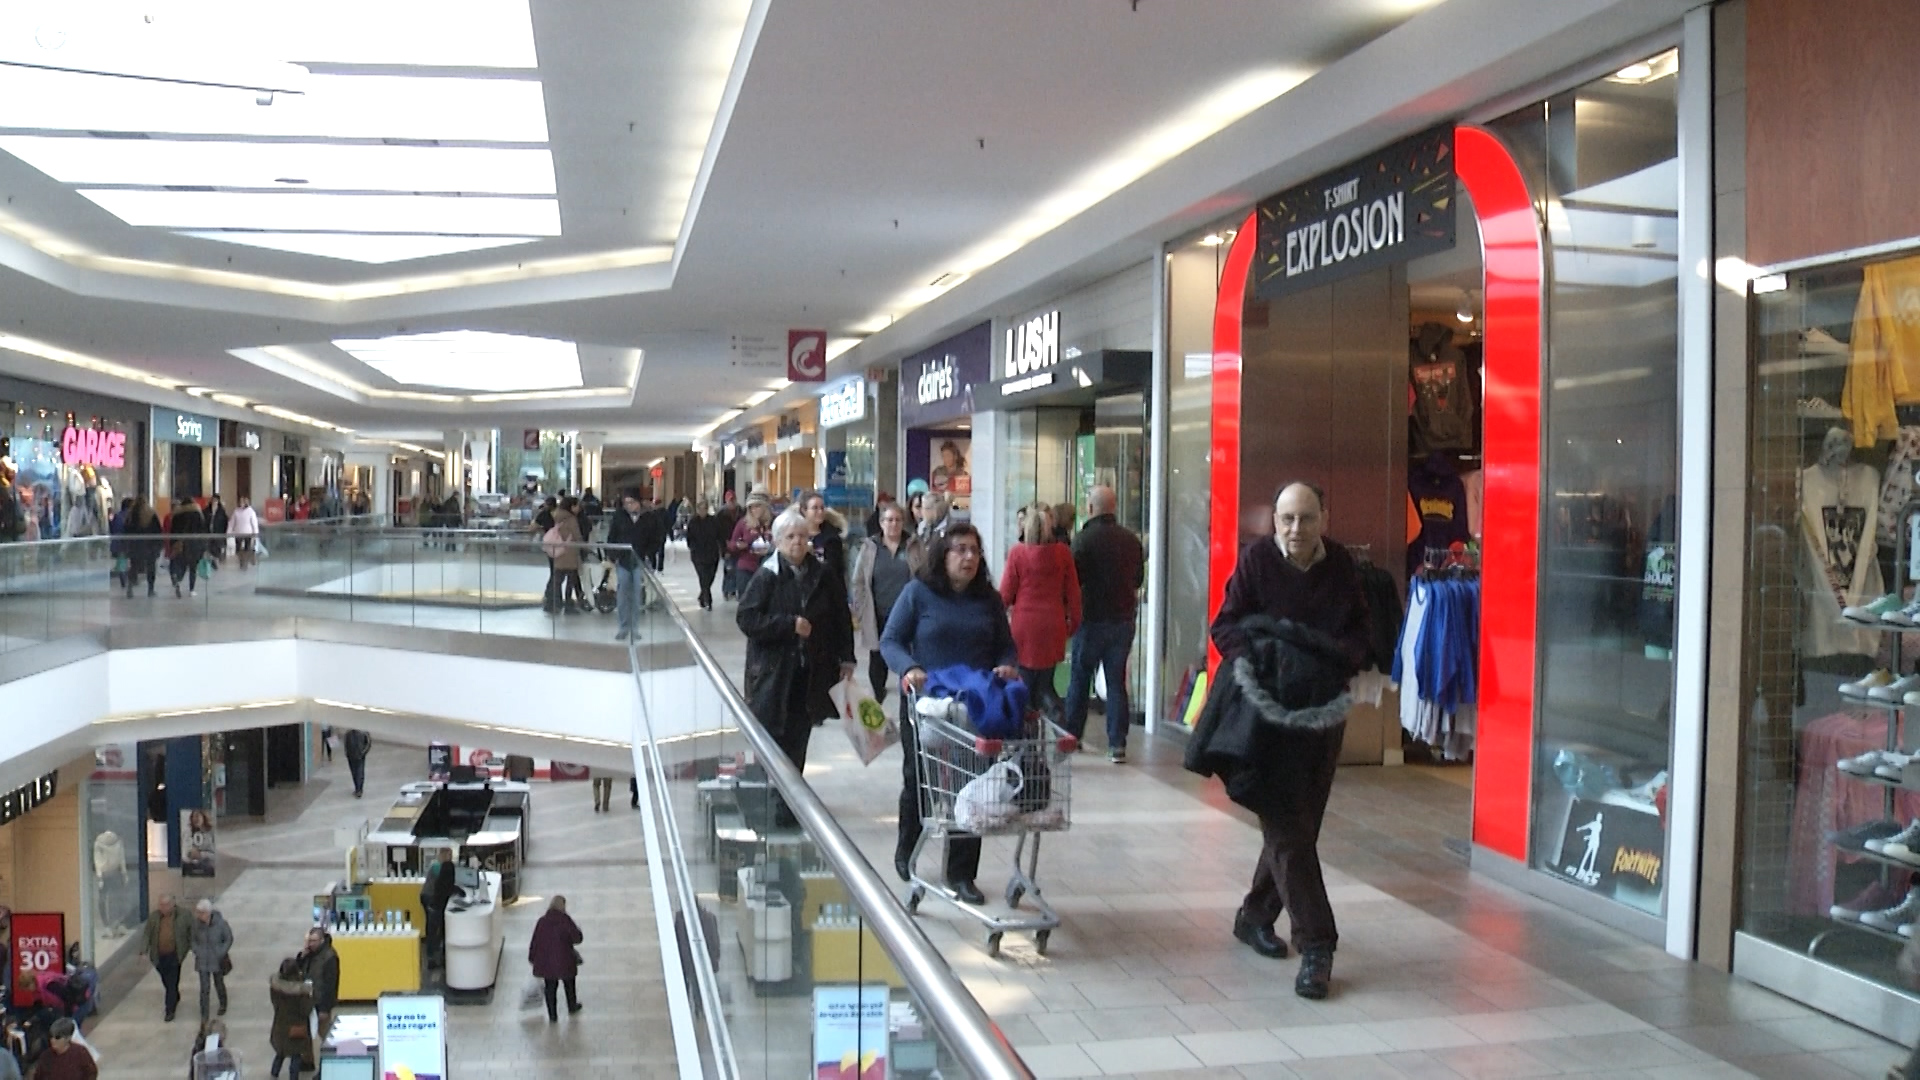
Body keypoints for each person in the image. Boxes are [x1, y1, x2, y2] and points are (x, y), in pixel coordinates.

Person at [1200, 481, 1369, 1001]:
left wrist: (1321, 656)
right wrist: (1263, 660)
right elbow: (1224, 626)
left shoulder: (1341, 567)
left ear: (1325, 518)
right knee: (1288, 828)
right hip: (1263, 721)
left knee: (1301, 826)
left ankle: (1254, 916)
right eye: (1288, 519)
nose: (1297, 530)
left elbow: (1361, 636)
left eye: (1307, 518)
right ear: (1274, 520)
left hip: (1321, 719)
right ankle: (1317, 944)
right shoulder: (1255, 563)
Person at [879, 524, 1019, 906]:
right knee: (920, 779)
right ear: (943, 555)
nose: (969, 557)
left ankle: (961, 873)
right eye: (960, 549)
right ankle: (907, 848)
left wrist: (1007, 666)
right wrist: (908, 668)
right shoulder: (918, 594)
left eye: (974, 550)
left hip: (973, 708)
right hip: (927, 707)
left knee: (969, 786)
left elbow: (1006, 647)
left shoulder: (988, 599)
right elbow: (890, 640)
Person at [736, 509, 856, 797]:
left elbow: (840, 617)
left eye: (802, 536)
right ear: (777, 541)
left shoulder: (823, 574)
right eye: (790, 537)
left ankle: (790, 797)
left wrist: (846, 656)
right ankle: (772, 794)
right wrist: (788, 625)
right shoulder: (767, 576)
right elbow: (747, 618)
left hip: (809, 670)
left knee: (799, 733)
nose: (797, 542)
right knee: (773, 734)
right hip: (773, 673)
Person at [1065, 485, 1145, 762]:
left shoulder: (1082, 540)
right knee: (1116, 682)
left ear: (1090, 508)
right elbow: (1137, 580)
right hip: (1122, 621)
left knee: (1080, 679)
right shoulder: (1131, 541)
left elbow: (1073, 581)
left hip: (1091, 620)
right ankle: (1117, 744)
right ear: (1115, 507)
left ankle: (1072, 736)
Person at [1001, 503, 1081, 722]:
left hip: (1024, 626)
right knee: (1046, 683)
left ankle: (1028, 738)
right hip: (1053, 624)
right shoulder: (1062, 554)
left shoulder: (1017, 553)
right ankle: (1058, 718)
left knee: (1024, 683)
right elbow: (1074, 595)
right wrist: (1070, 627)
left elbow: (1005, 595)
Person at [850, 503, 914, 705]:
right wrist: (860, 609)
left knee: (907, 657)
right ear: (881, 523)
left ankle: (908, 700)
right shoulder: (870, 547)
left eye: (898, 520)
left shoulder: (913, 545)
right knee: (877, 659)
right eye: (889, 520)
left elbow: (924, 577)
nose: (893, 524)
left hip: (907, 615)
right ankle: (878, 697)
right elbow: (858, 580)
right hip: (877, 613)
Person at [528, 894, 584, 1023]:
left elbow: (535, 941)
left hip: (546, 962)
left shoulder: (542, 921)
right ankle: (572, 1006)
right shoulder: (565, 920)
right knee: (569, 984)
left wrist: (532, 957)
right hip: (565, 960)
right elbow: (577, 938)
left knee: (550, 988)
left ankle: (552, 1015)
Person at [141, 892, 190, 1021]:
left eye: (166, 904)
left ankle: (170, 1010)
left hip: (175, 954)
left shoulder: (183, 915)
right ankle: (175, 995)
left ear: (173, 904)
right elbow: (147, 934)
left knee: (172, 981)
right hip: (159, 956)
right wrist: (144, 951)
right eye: (161, 905)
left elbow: (191, 931)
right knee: (166, 980)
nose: (163, 907)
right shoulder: (154, 918)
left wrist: (191, 947)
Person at [606, 491, 649, 640]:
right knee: (623, 594)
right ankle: (623, 626)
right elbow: (612, 537)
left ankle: (635, 628)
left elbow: (656, 536)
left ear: (638, 502)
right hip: (623, 561)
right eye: (626, 503)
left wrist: (649, 554)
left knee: (637, 595)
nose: (629, 506)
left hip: (639, 561)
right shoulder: (619, 517)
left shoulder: (647, 517)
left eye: (632, 502)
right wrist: (613, 556)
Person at [268, 956, 315, 1080]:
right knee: (296, 1055)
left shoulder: (275, 986)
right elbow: (306, 1009)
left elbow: (274, 1002)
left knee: (280, 1053)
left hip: (280, 1024)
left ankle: (274, 1074)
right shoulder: (301, 991)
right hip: (296, 1026)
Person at [189, 897, 232, 1022]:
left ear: (207, 912)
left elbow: (228, 938)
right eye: (198, 912)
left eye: (201, 912)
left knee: (219, 983)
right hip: (203, 960)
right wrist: (197, 951)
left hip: (217, 960)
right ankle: (204, 1013)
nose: (198, 915)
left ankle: (223, 1003)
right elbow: (192, 940)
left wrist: (221, 951)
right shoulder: (196, 925)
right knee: (204, 988)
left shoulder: (221, 924)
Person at [546, 497, 588, 615]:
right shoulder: (571, 519)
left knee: (557, 579)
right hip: (570, 553)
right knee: (571, 579)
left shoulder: (557, 516)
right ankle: (569, 605)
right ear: (572, 506)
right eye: (577, 505)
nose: (578, 508)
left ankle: (554, 603)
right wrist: (585, 546)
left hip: (559, 551)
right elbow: (577, 535)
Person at [686, 501, 729, 610]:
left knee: (710, 577)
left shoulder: (713, 521)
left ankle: (702, 596)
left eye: (704, 509)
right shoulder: (693, 522)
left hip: (712, 554)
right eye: (700, 509)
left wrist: (724, 550)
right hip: (698, 555)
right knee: (703, 577)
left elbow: (720, 536)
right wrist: (693, 548)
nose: (702, 511)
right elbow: (689, 538)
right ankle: (708, 600)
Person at [726, 498, 774, 598]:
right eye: (751, 507)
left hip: (767, 567)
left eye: (757, 506)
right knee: (746, 599)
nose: (754, 510)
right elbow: (732, 543)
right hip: (746, 567)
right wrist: (739, 545)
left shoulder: (773, 522)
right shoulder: (743, 523)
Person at [299, 927, 339, 1043]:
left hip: (320, 1002)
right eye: (309, 941)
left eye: (313, 941)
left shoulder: (329, 957)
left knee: (323, 1034)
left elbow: (330, 985)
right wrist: (303, 954)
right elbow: (297, 969)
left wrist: (325, 1009)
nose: (311, 944)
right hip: (309, 1001)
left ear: (321, 940)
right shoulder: (309, 954)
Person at [799, 490, 848, 583]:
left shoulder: (832, 538)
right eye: (815, 508)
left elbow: (835, 571)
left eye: (822, 507)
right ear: (804, 510)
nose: (820, 511)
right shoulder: (795, 535)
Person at [165, 497, 209, 598]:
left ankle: (178, 581)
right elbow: (202, 530)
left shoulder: (177, 515)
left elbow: (173, 530)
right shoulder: (197, 514)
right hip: (194, 544)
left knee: (182, 564)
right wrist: (204, 545)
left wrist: (173, 544)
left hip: (180, 544)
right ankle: (191, 589)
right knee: (193, 567)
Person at [123, 498, 164, 597]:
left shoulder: (131, 515)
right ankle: (150, 589)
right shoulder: (151, 514)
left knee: (134, 567)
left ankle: (130, 588)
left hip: (135, 545)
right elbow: (158, 531)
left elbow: (126, 530)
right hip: (150, 546)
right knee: (151, 568)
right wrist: (159, 545)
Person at [419, 858, 456, 968]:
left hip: (430, 903)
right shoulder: (439, 870)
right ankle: (441, 956)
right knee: (439, 930)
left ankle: (431, 957)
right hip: (434, 904)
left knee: (431, 930)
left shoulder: (437, 869)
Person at [227, 495, 260, 570]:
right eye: (240, 501)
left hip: (248, 533)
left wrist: (255, 534)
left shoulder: (251, 511)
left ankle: (245, 562)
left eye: (243, 502)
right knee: (238, 549)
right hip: (238, 533)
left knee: (247, 548)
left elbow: (254, 524)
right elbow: (232, 523)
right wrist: (228, 532)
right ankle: (241, 560)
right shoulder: (236, 511)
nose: (241, 503)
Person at [342, 729, 372, 797]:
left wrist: (362, 753)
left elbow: (368, 743)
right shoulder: (348, 733)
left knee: (359, 772)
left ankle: (359, 790)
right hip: (351, 756)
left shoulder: (364, 732)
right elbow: (346, 744)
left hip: (359, 757)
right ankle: (357, 788)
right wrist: (347, 753)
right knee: (354, 773)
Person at [206, 494, 229, 565]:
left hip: (218, 532)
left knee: (217, 548)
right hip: (208, 533)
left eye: (215, 500)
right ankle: (212, 561)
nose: (214, 502)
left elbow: (225, 522)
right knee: (209, 548)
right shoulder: (207, 510)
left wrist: (224, 533)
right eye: (213, 500)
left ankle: (216, 561)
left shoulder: (221, 511)